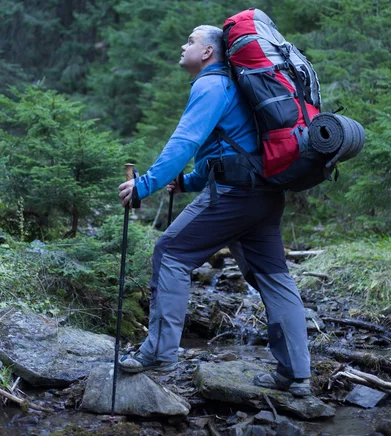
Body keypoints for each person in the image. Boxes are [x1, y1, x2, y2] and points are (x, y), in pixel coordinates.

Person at [118, 25, 311, 397]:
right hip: (265, 196)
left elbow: (184, 143)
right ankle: (296, 374)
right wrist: (188, 183)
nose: (183, 45)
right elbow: (227, 148)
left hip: (234, 195)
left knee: (171, 252)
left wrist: (144, 186)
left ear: (208, 53)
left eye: (190, 41)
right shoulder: (237, 88)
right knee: (274, 278)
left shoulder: (210, 86)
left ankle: (159, 352)